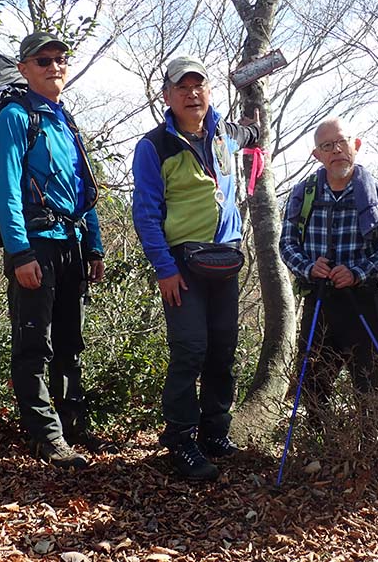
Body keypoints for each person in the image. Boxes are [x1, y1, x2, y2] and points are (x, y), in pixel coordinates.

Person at [132, 55, 259, 481]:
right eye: (181, 87)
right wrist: (164, 268)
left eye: (198, 85)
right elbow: (146, 213)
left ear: (209, 91)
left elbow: (251, 133)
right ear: (167, 96)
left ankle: (214, 433)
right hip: (182, 263)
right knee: (191, 349)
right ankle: (181, 438)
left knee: (223, 349)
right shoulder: (154, 146)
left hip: (225, 257)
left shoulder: (224, 133)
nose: (191, 93)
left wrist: (255, 105)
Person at [0, 31, 108, 469]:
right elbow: (6, 191)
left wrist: (93, 246)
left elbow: (82, 191)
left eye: (60, 58)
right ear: (24, 68)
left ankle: (72, 424)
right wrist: (20, 253)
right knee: (34, 343)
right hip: (35, 244)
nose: (54, 66)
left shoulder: (63, 119)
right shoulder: (15, 119)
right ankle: (45, 436)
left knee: (69, 340)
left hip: (71, 245)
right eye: (43, 61)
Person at [279, 118, 378, 432]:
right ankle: (320, 443)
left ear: (355, 145)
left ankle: (372, 448)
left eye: (342, 142)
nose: (336, 151)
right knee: (314, 380)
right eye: (326, 146)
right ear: (317, 154)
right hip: (320, 300)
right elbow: (287, 243)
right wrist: (308, 267)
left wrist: (358, 273)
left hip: (363, 301)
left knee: (369, 381)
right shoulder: (303, 193)